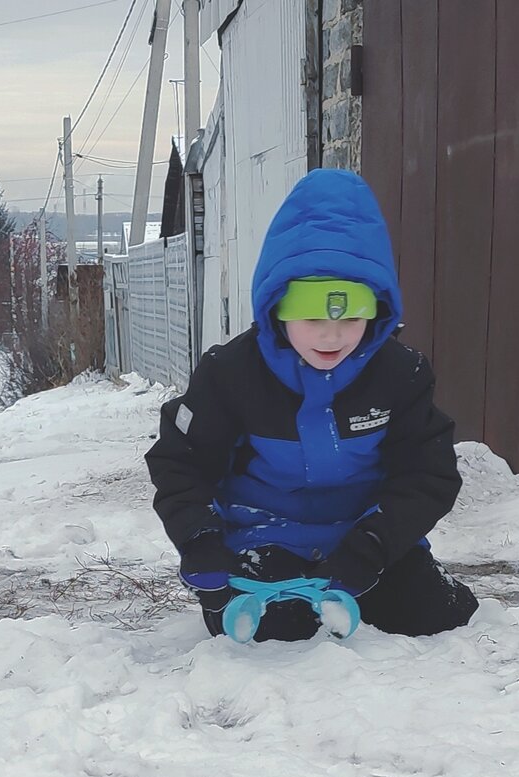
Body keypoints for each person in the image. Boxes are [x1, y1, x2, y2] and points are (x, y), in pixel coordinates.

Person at [145, 168, 478, 642]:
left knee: (438, 619)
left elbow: (427, 473)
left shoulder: (400, 376)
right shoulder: (231, 374)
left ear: (377, 309)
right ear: (276, 306)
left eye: (350, 314)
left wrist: (375, 543)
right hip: (263, 536)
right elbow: (182, 463)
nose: (331, 334)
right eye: (310, 312)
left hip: (364, 542)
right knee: (273, 635)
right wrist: (199, 538)